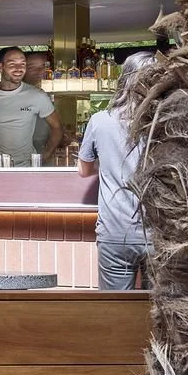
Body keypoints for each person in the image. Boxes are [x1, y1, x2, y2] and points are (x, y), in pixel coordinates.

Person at [78, 51, 156, 290]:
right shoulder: (164, 121)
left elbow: (84, 169)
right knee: (161, 311)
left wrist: (111, 162)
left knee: (114, 311)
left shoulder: (100, 121)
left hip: (115, 231)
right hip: (159, 233)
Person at [0, 46, 63, 166]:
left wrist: (46, 155)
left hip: (25, 167)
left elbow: (57, 127)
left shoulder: (38, 96)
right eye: (12, 64)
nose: (19, 69)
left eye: (22, 64)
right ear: (0, 67)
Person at [24, 51, 54, 155]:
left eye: (43, 66)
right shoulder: (16, 95)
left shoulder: (51, 94)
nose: (39, 71)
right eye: (32, 67)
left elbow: (57, 128)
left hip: (45, 153)